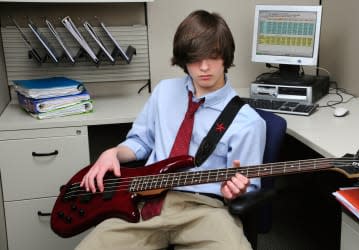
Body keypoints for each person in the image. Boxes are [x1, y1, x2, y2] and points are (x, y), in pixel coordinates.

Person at [77, 9, 266, 250]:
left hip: (205, 210)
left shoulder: (247, 122)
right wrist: (112, 153)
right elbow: (141, 141)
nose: (205, 67)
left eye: (214, 56)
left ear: (226, 58)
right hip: (145, 202)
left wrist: (235, 192)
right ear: (183, 59)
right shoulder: (164, 91)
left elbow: (247, 188)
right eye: (196, 58)